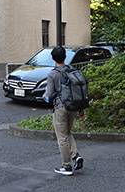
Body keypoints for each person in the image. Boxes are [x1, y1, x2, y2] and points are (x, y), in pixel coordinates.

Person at [43, 46, 85, 176]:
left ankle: (66, 166)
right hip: (72, 106)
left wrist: (43, 97)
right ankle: (75, 156)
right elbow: (77, 91)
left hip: (60, 107)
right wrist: (80, 109)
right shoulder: (71, 71)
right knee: (67, 132)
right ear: (65, 57)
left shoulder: (53, 74)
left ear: (52, 58)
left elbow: (49, 94)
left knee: (61, 137)